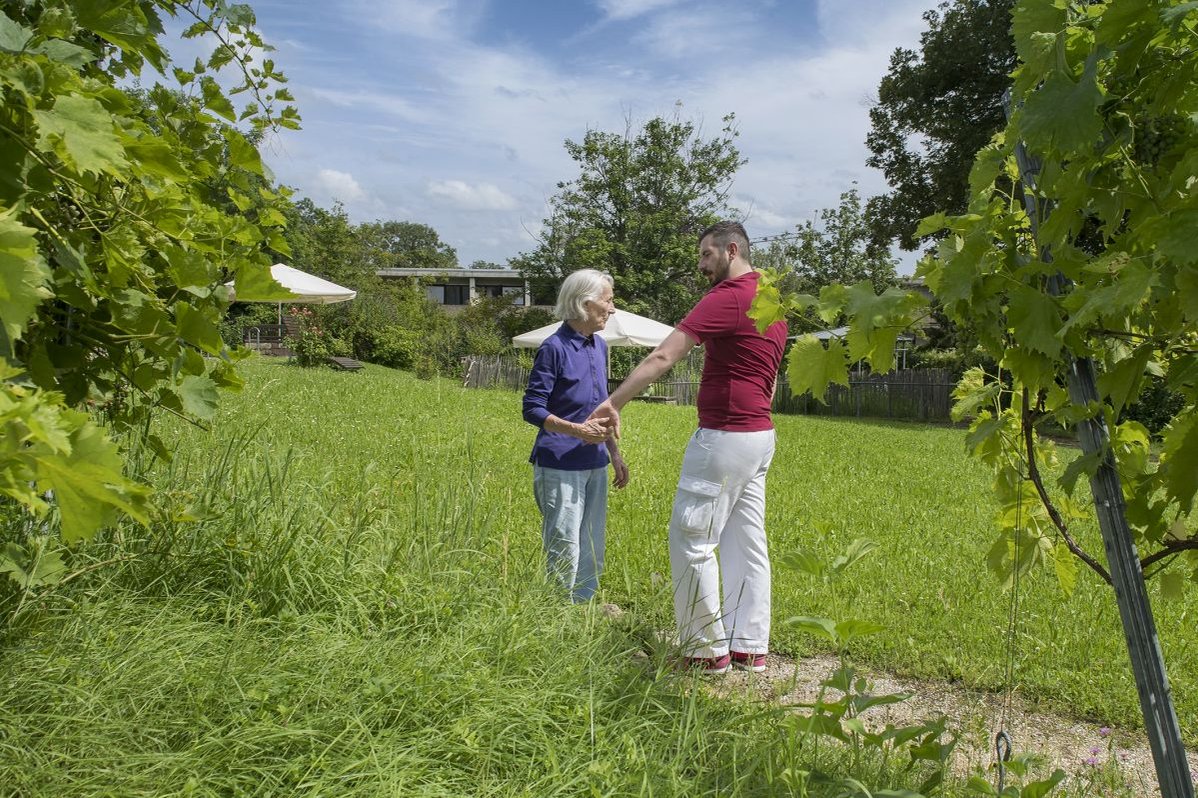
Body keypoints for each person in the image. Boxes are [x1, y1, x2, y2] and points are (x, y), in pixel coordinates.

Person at [589, 221, 786, 673]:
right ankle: (748, 646)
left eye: (705, 255)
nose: (700, 265)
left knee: (692, 537)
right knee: (746, 542)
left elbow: (663, 355)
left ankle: (704, 652)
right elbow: (770, 378)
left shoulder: (728, 297)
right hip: (759, 435)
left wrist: (612, 403)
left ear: (731, 250)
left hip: (724, 437)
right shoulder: (773, 302)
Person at [523, 269, 630, 602]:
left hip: (594, 462)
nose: (612, 309)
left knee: (591, 542)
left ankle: (581, 610)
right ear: (585, 303)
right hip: (559, 463)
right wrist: (577, 430)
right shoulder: (553, 348)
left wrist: (613, 451)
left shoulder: (598, 346)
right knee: (564, 541)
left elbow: (600, 408)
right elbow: (532, 409)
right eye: (608, 300)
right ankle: (557, 613)